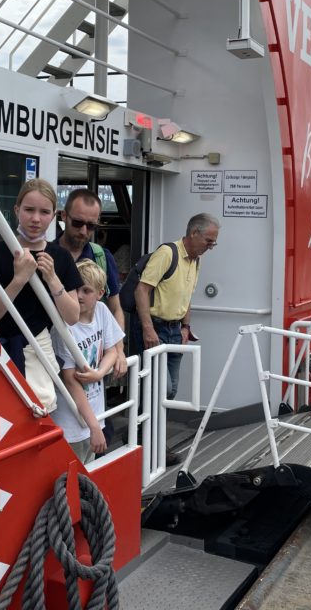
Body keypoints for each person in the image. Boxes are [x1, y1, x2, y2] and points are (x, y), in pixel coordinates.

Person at [0, 178, 82, 412]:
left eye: (44, 212)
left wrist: (52, 279)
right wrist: (19, 279)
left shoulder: (60, 257)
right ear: (17, 210)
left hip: (38, 351)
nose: (35, 218)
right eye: (29, 210)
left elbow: (73, 316)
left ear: (53, 216)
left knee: (37, 418)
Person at [134, 213, 219, 403]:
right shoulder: (167, 253)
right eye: (209, 241)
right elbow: (141, 290)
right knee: (161, 387)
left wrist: (185, 328)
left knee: (170, 391)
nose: (211, 247)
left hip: (175, 330)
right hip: (155, 328)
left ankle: (154, 430)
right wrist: (147, 328)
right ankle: (140, 430)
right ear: (194, 233)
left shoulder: (195, 260)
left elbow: (186, 296)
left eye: (213, 243)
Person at [50, 259, 125, 464]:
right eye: (75, 289)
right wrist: (94, 426)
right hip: (70, 421)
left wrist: (99, 373)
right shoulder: (63, 327)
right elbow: (70, 380)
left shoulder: (101, 311)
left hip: (94, 413)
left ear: (100, 294)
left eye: (86, 290)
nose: (79, 296)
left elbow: (112, 350)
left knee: (87, 475)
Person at [56, 189, 126, 373]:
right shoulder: (48, 255)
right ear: (64, 216)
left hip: (90, 357)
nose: (83, 231)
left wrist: (119, 351)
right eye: (77, 223)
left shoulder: (101, 256)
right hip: (54, 357)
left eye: (91, 226)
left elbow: (115, 307)